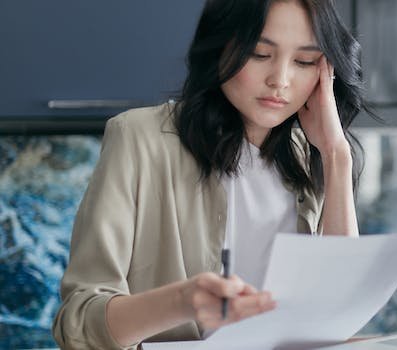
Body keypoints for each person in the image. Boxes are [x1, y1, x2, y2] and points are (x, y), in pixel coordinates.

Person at [52, 0, 370, 348]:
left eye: (304, 61)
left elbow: (339, 314)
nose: (279, 80)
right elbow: (78, 325)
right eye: (260, 54)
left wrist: (337, 156)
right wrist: (183, 301)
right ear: (221, 47)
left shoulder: (309, 154)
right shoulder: (140, 138)